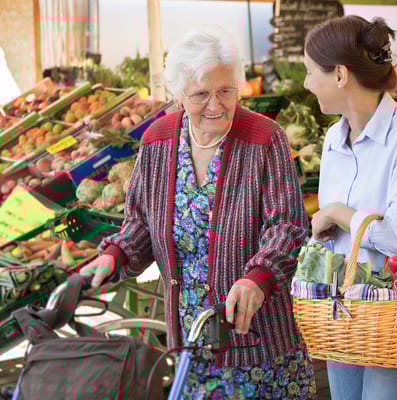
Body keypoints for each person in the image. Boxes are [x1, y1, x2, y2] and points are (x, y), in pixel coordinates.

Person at [82, 27, 316, 399]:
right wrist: (116, 255)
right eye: (201, 94)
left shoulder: (264, 138)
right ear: (177, 95)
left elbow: (287, 224)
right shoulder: (158, 140)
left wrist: (258, 276)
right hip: (191, 342)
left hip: (259, 340)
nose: (216, 104)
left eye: (226, 91)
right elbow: (141, 222)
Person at [303, 16, 397, 400]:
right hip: (346, 312)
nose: (305, 84)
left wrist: (336, 212)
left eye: (309, 71)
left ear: (339, 75)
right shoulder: (334, 138)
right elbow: (340, 237)